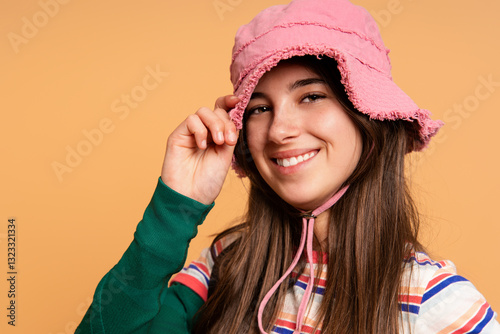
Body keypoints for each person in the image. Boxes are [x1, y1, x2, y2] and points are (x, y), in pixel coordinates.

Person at [76, 0, 499, 333]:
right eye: (259, 108)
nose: (279, 130)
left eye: (311, 96)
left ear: (368, 116)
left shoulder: (432, 298)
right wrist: (176, 205)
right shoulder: (227, 264)